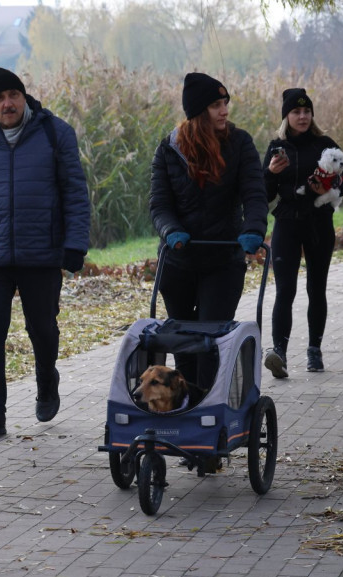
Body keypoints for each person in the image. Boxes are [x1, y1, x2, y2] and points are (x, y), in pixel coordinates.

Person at [0, 66, 91, 439]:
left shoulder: (54, 133)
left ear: (24, 97)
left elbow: (75, 192)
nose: (6, 103)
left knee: (42, 328)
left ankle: (47, 378)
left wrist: (75, 244)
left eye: (12, 95)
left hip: (41, 252)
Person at [149, 72, 268, 389]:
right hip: (179, 261)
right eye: (216, 105)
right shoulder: (169, 150)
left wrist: (252, 229)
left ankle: (206, 414)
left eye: (225, 103)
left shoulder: (239, 143)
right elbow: (159, 205)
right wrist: (171, 231)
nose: (225, 110)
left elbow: (254, 195)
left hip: (222, 260)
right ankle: (184, 407)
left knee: (210, 340)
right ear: (199, 111)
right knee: (184, 345)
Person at [262, 88, 343, 378]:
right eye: (296, 112)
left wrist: (328, 187)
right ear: (286, 116)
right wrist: (271, 173)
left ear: (311, 114)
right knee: (285, 291)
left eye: (306, 112)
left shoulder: (325, 144)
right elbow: (264, 195)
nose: (302, 117)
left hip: (318, 223)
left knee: (316, 289)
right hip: (287, 223)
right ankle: (280, 354)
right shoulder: (277, 146)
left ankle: (314, 351)